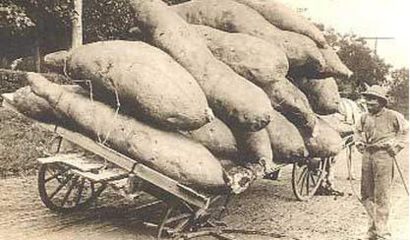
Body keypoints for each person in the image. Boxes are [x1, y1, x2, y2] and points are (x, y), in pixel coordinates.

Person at [355, 85, 408, 240]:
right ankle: (372, 230)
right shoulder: (364, 117)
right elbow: (357, 131)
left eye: (372, 99)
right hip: (367, 155)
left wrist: (396, 146)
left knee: (382, 194)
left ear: (381, 101)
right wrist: (358, 142)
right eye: (367, 99)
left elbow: (406, 130)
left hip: (384, 156)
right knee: (366, 194)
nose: (368, 102)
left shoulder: (393, 116)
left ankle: (383, 232)